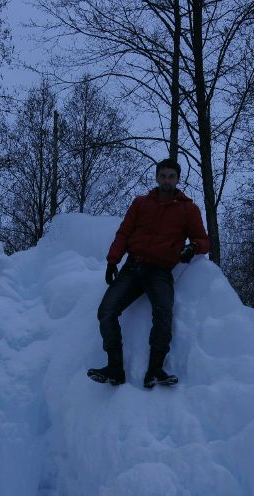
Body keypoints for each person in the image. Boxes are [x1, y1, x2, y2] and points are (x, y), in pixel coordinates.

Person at [87, 158, 210, 389]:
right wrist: (112, 261)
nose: (166, 180)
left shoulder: (188, 209)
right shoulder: (140, 203)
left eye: (171, 176)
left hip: (160, 272)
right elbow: (124, 233)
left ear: (177, 179)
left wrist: (192, 247)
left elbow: (204, 240)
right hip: (133, 268)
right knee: (106, 311)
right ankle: (115, 369)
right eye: (163, 175)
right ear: (156, 177)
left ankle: (154, 371)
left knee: (163, 316)